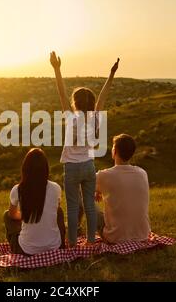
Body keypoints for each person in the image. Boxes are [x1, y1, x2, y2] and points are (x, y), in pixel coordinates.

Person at [50, 51, 119, 246]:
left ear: (75, 103)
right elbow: (104, 96)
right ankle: (90, 241)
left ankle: (71, 242)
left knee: (72, 207)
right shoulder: (96, 117)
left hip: (71, 167)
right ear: (91, 102)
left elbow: (61, 92)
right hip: (89, 166)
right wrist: (111, 74)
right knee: (89, 206)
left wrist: (57, 69)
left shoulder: (71, 117)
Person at [3, 148, 66, 255]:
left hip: (27, 251)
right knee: (59, 211)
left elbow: (12, 215)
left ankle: (16, 245)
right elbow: (53, 212)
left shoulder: (18, 189)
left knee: (6, 215)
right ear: (46, 168)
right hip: (56, 247)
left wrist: (26, 216)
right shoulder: (56, 188)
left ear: (25, 169)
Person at [95, 134, 151, 243]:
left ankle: (76, 228)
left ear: (114, 151)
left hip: (115, 237)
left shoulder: (104, 175)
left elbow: (84, 185)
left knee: (83, 196)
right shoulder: (142, 173)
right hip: (143, 235)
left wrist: (95, 191)